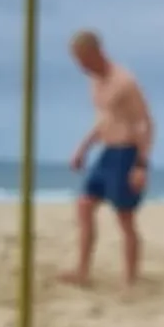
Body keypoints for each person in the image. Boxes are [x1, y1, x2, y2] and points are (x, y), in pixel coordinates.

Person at [63, 31, 154, 286]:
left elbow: (145, 124)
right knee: (84, 205)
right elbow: (104, 120)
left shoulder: (124, 81)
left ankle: (130, 278)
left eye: (83, 59)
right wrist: (82, 148)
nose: (81, 66)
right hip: (106, 151)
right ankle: (82, 272)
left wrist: (141, 165)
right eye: (78, 61)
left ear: (97, 53)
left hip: (127, 153)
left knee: (125, 218)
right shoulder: (94, 82)